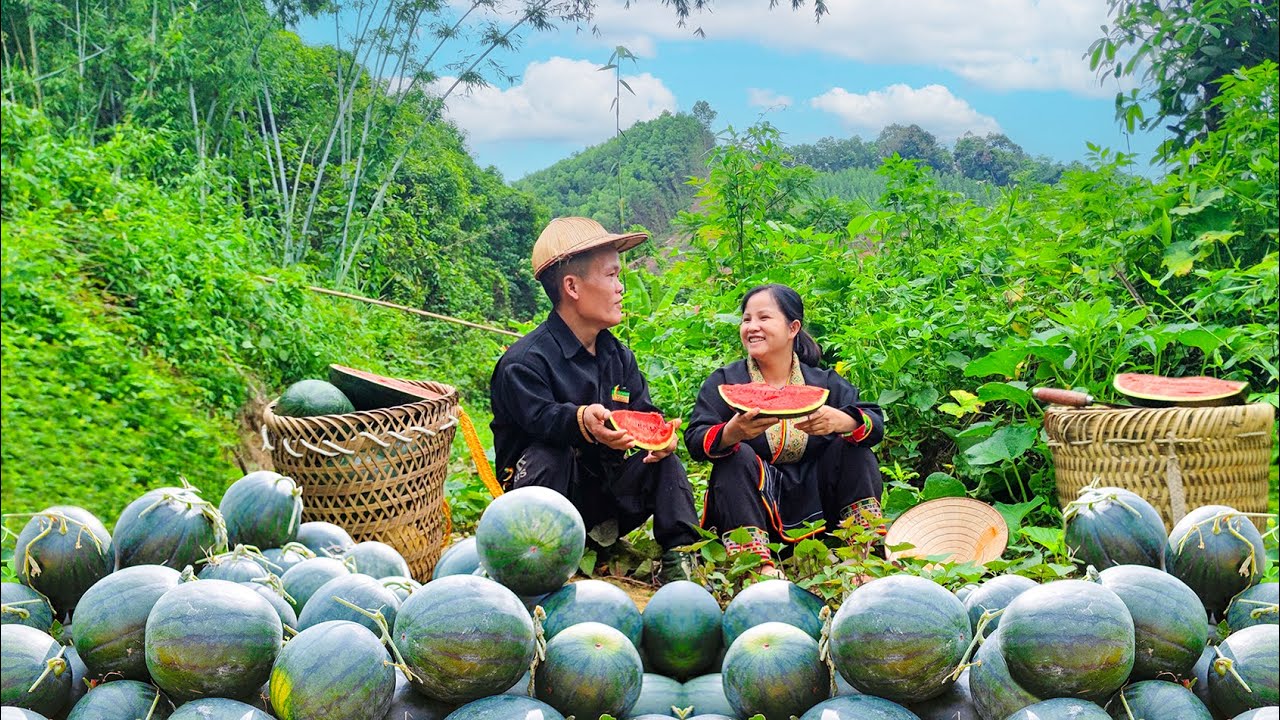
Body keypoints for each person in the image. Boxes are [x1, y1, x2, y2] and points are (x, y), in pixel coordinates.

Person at [489, 217, 701, 585]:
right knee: (548, 454)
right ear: (572, 286)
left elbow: (644, 413)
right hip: (537, 504)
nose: (621, 288)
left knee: (666, 464)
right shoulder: (524, 363)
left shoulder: (619, 357)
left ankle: (680, 561)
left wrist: (662, 436)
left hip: (605, 500)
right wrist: (582, 420)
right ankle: (537, 566)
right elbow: (542, 419)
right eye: (612, 276)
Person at [683, 283, 885, 577]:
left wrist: (845, 422)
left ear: (793, 328)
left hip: (822, 507)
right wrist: (732, 432)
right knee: (734, 458)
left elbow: (874, 422)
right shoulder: (727, 380)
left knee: (854, 450)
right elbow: (694, 440)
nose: (752, 327)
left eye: (764, 318)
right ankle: (756, 563)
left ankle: (860, 554)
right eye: (746, 319)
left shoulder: (823, 381)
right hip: (753, 504)